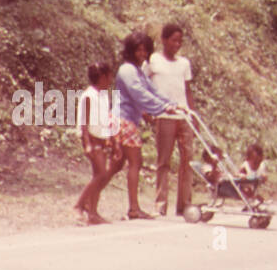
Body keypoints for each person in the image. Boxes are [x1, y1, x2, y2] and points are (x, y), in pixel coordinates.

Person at [111, 31, 178, 219]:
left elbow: (152, 90)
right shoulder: (127, 70)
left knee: (114, 167)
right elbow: (139, 93)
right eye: (138, 50)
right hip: (123, 119)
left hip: (127, 120)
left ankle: (86, 203)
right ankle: (133, 208)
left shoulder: (138, 71)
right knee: (135, 162)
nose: (141, 54)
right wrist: (162, 107)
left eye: (145, 50)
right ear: (131, 51)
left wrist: (172, 104)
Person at [147, 23, 194, 216]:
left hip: (183, 116)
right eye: (174, 40)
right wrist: (147, 111)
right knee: (163, 161)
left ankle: (184, 205)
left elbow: (188, 91)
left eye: (180, 41)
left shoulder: (184, 64)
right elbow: (143, 86)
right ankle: (161, 205)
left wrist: (192, 114)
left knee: (187, 161)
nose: (177, 44)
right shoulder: (153, 60)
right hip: (164, 115)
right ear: (164, 40)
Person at [74, 61, 122, 225]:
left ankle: (93, 213)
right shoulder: (89, 95)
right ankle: (79, 205)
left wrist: (113, 141)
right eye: (109, 76)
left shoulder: (103, 95)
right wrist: (87, 143)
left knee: (98, 175)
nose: (110, 80)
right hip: (92, 138)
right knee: (101, 174)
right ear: (102, 77)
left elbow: (106, 119)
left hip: (101, 137)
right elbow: (84, 123)